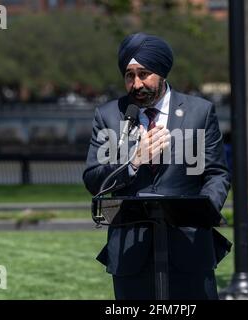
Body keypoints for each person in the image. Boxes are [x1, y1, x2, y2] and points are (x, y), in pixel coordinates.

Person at [82, 32, 231, 300]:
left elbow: (217, 173)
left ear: (161, 72)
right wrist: (134, 160)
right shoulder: (108, 116)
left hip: (190, 247)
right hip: (130, 252)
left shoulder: (200, 112)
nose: (136, 84)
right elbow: (94, 179)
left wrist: (202, 210)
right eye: (129, 75)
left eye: (144, 74)